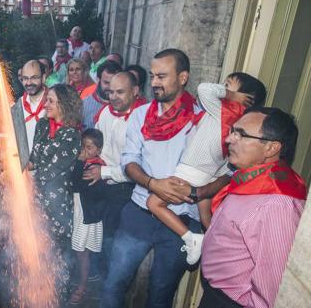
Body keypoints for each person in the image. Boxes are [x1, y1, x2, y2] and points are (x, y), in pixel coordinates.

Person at [100, 49, 203, 308]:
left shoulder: (200, 119)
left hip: (181, 220)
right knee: (115, 281)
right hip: (139, 211)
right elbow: (129, 161)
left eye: (162, 76)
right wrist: (152, 184)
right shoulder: (140, 115)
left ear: (183, 77)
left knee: (160, 294)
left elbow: (218, 170)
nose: (155, 82)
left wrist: (192, 191)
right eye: (154, 76)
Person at [146, 72, 266, 264]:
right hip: (208, 174)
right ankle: (217, 247)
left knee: (153, 203)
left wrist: (231, 95)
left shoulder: (221, 111)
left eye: (227, 85)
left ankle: (190, 238)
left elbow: (204, 89)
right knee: (205, 218)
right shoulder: (236, 123)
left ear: (243, 98)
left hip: (193, 169)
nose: (222, 88)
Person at [200, 108, 306, 308]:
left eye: (241, 134)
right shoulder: (250, 180)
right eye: (233, 131)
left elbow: (273, 283)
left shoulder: (277, 203)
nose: (229, 139)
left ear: (271, 148)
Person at [87, 72, 145, 279]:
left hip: (126, 189)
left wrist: (104, 172)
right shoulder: (104, 113)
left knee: (115, 239)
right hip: (101, 182)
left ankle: (112, 281)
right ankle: (97, 274)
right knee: (98, 231)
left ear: (135, 91)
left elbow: (140, 166)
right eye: (110, 92)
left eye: (120, 92)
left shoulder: (142, 119)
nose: (114, 97)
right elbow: (98, 147)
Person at [27, 84, 82, 299]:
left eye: (50, 101)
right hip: (35, 204)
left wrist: (25, 176)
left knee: (58, 261)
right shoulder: (42, 125)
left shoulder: (72, 137)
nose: (45, 104)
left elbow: (49, 173)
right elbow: (34, 158)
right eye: (46, 100)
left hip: (57, 208)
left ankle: (57, 299)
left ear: (64, 105)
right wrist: (19, 163)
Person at [69, 129, 106, 304]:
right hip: (82, 213)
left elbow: (75, 185)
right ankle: (84, 279)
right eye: (82, 146)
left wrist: (79, 162)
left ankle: (82, 286)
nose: (84, 151)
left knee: (82, 253)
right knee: (81, 253)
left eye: (89, 147)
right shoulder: (88, 162)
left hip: (86, 217)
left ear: (98, 150)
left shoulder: (94, 167)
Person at [11, 60, 47, 169]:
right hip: (26, 172)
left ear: (43, 77)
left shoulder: (54, 102)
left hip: (49, 172)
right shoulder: (18, 106)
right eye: (25, 78)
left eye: (34, 77)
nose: (29, 82)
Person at [82, 61, 122, 129]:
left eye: (114, 83)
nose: (110, 87)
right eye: (106, 83)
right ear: (98, 80)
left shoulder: (126, 105)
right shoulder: (83, 105)